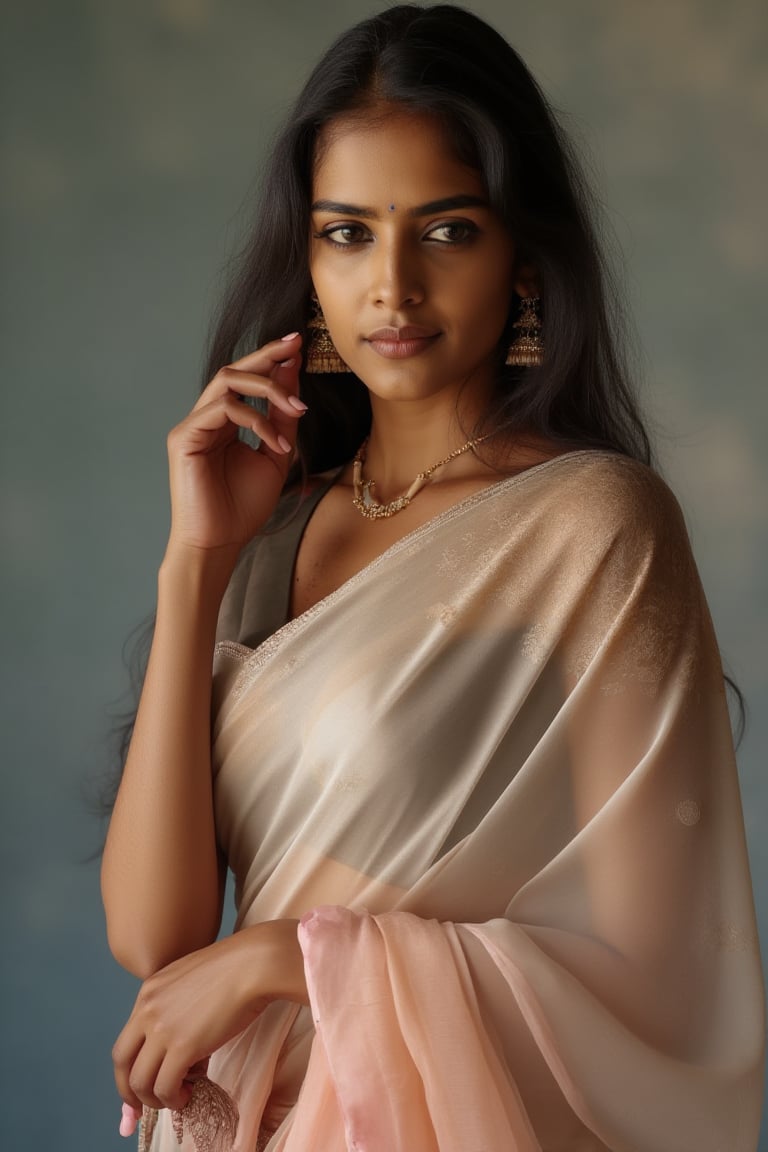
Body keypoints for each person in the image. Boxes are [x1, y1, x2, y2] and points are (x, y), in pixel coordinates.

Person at [101, 5, 765, 1150]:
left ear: (522, 256)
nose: (393, 288)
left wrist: (294, 957)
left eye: (446, 232)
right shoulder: (273, 533)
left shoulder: (591, 526)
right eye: (348, 233)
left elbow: (654, 969)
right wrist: (194, 562)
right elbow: (156, 943)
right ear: (306, 260)